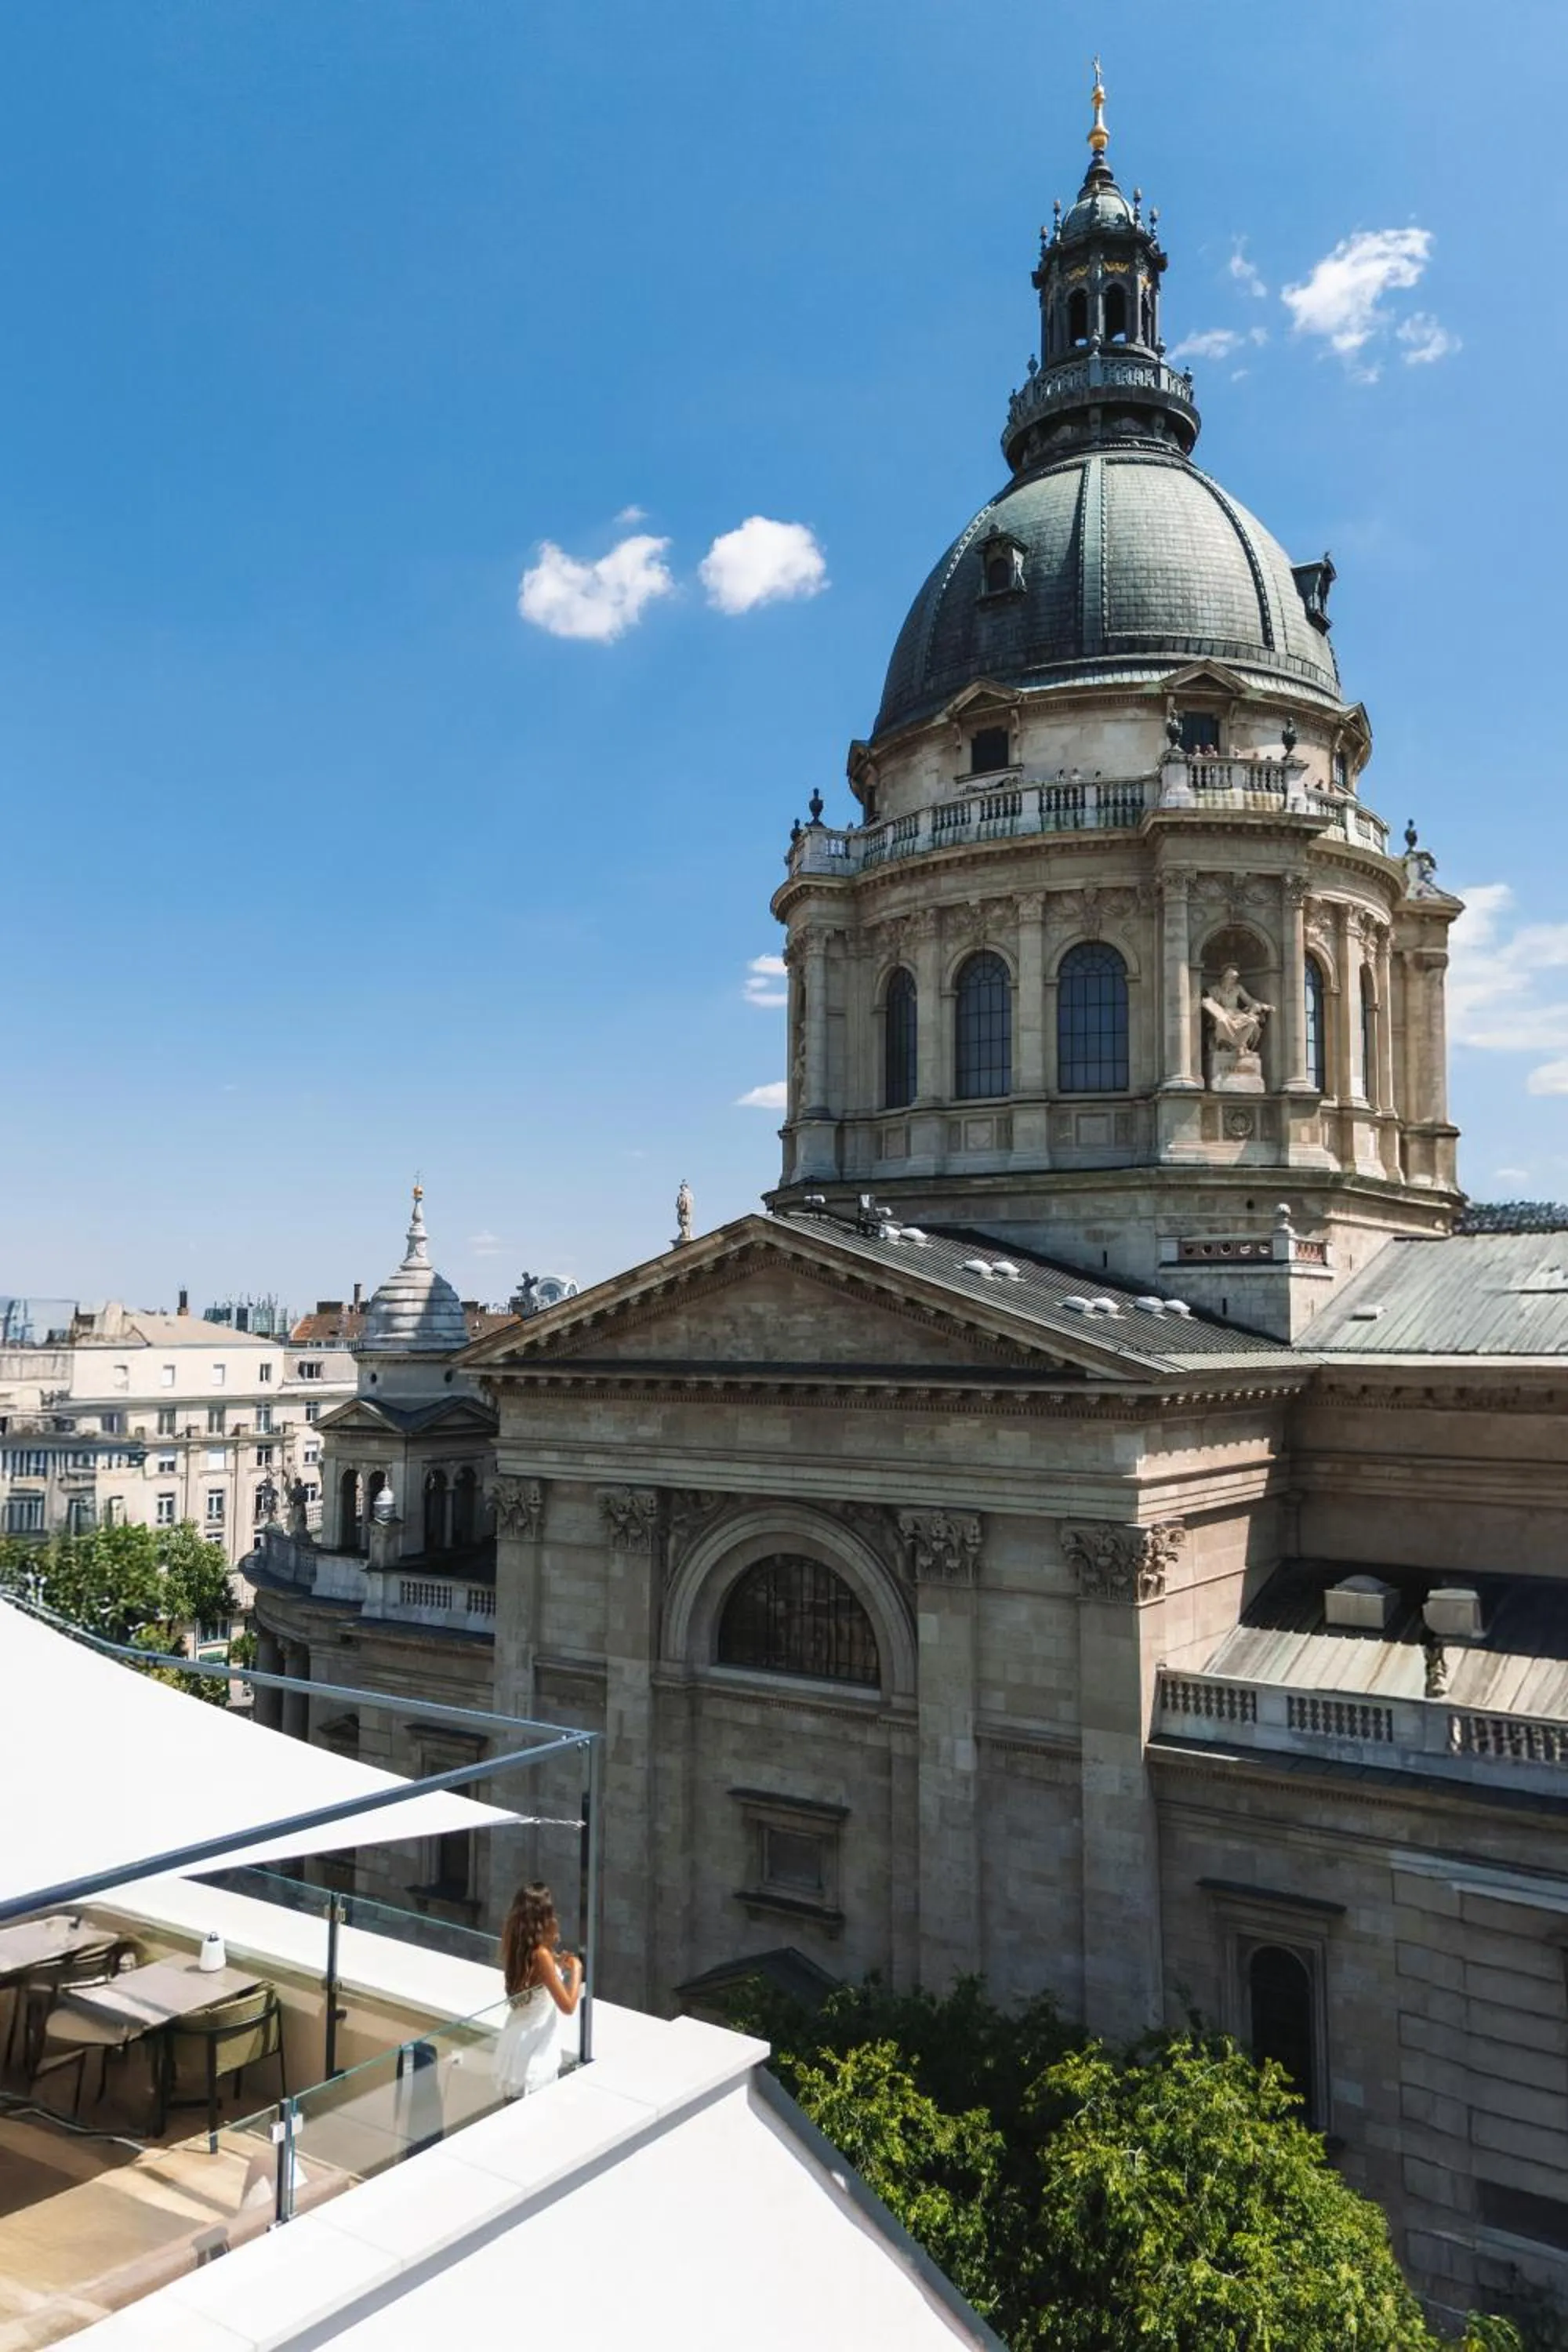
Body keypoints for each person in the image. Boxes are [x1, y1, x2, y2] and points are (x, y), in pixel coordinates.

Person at [494, 1882, 582, 2099]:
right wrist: (578, 1970)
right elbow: (568, 2006)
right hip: (533, 2051)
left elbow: (539, 1976)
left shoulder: (519, 1948)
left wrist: (558, 1963)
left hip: (517, 2042)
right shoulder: (541, 1956)